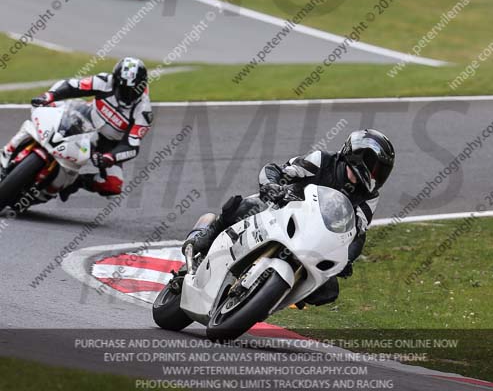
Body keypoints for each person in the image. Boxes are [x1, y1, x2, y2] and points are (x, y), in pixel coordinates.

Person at [183, 129, 395, 306]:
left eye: (381, 172)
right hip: (281, 209)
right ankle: (208, 234)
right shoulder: (323, 160)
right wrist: (272, 186)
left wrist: (347, 259)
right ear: (358, 154)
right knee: (244, 206)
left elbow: (358, 233)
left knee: (327, 291)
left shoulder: (369, 198)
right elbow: (277, 170)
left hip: (313, 239)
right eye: (374, 167)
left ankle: (273, 297)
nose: (376, 175)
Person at [0, 58, 153, 201]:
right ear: (115, 81)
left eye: (132, 91)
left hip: (108, 145)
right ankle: (7, 152)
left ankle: (76, 182)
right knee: (44, 111)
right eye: (122, 88)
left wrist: (110, 157)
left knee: (112, 186)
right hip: (84, 118)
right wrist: (49, 96)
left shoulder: (143, 112)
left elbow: (132, 145)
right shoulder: (105, 81)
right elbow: (72, 85)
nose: (127, 94)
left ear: (142, 86)